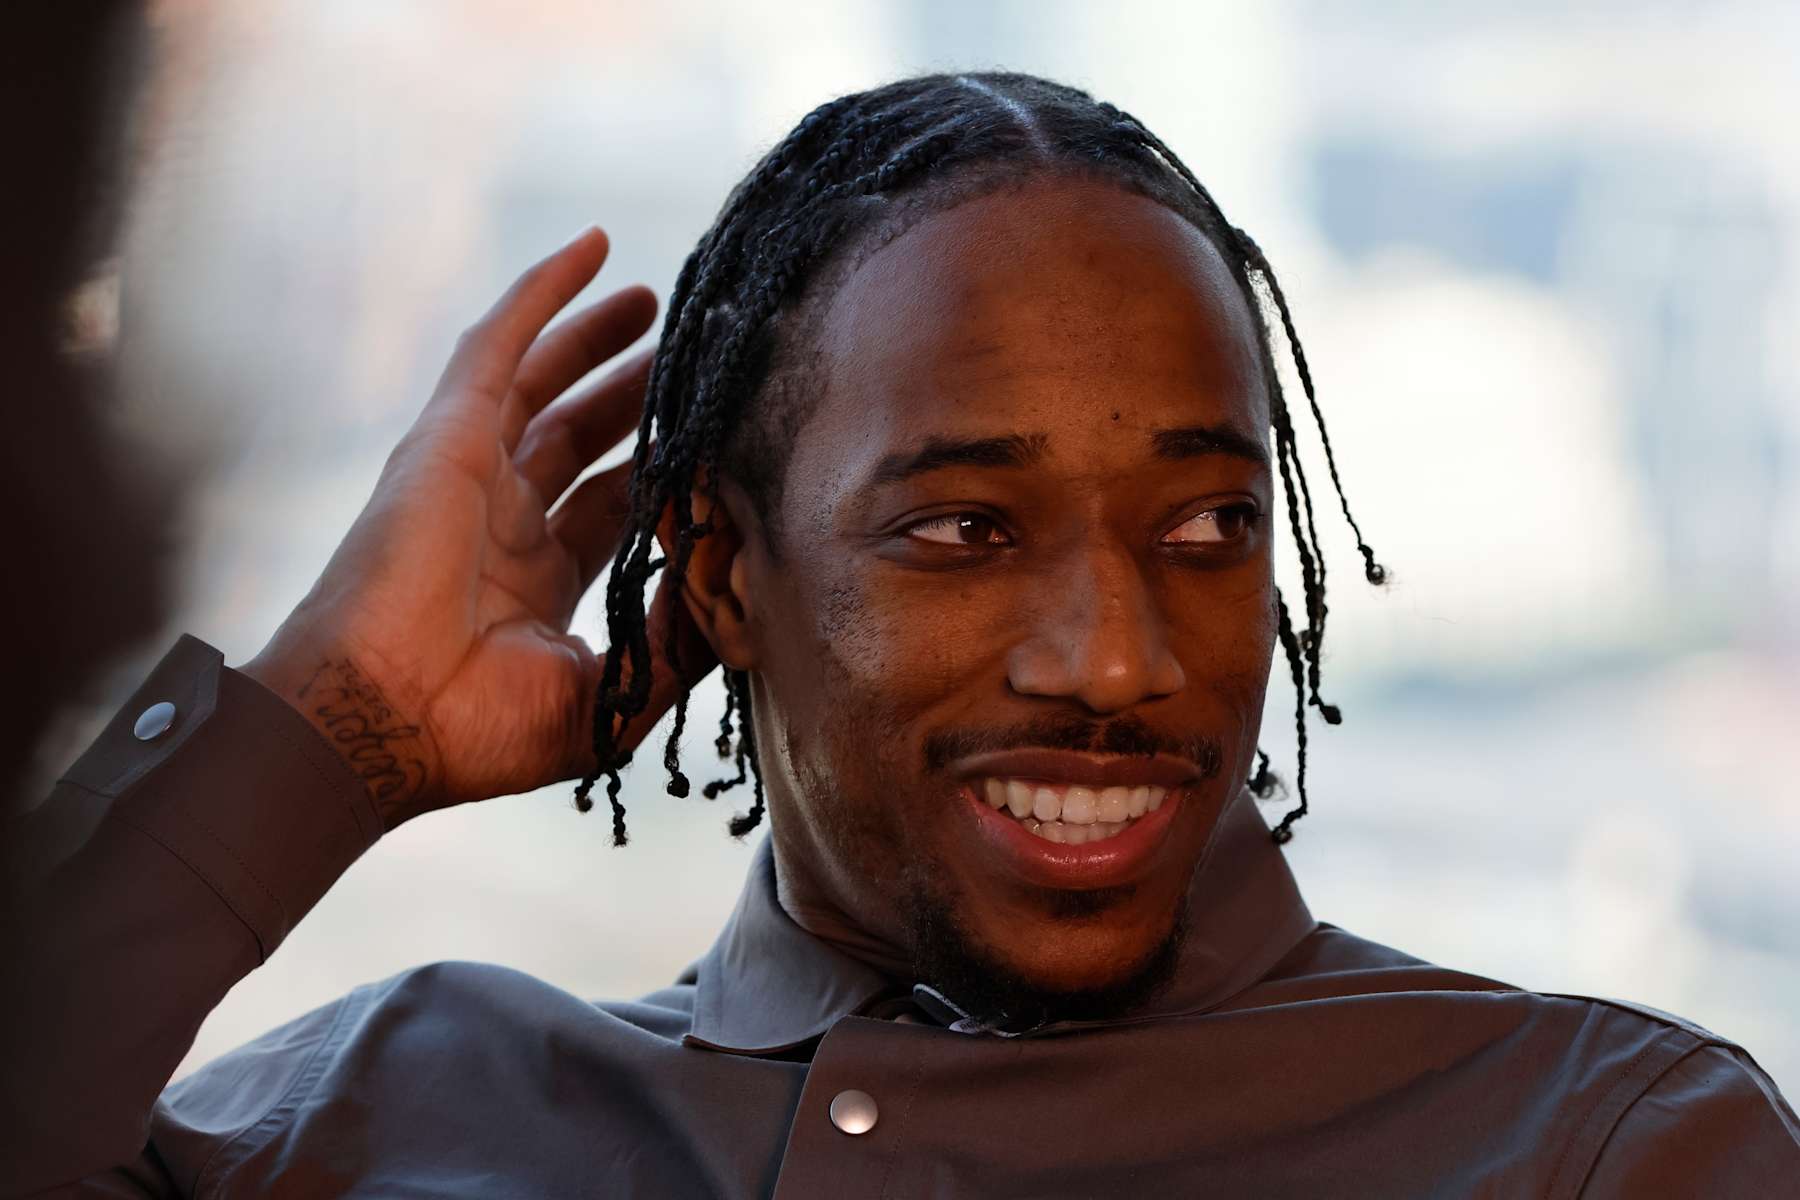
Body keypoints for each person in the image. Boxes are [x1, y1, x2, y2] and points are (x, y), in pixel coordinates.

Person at [4, 72, 1795, 1198]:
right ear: (716, 573)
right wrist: (330, 728)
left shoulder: (1599, 1146)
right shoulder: (367, 1121)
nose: (1114, 664)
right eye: (964, 529)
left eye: (1203, 528)